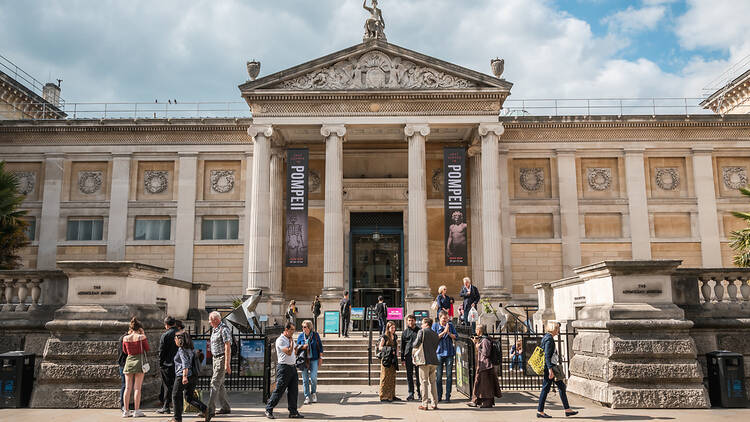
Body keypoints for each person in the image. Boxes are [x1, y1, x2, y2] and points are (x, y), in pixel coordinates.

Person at [537, 322, 578, 418]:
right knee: (546, 389)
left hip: (552, 367)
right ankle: (540, 411)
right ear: (553, 329)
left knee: (561, 387)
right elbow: (547, 356)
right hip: (551, 368)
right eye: (557, 328)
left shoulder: (547, 337)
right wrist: (550, 370)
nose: (558, 330)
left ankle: (567, 410)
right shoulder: (549, 339)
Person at [265, 322, 304, 419]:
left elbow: (294, 350)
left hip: (292, 367)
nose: (293, 332)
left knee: (294, 391)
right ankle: (269, 408)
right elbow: (289, 352)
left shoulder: (289, 339)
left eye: (294, 330)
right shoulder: (281, 340)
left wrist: (294, 347)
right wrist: (291, 343)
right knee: (279, 390)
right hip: (284, 368)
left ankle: (293, 411)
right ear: (286, 330)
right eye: (291, 330)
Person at [171, 331, 209, 422]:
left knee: (175, 395)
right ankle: (205, 409)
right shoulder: (191, 349)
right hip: (193, 376)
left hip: (182, 375)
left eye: (175, 338)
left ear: (180, 340)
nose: (174, 340)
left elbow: (185, 363)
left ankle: (177, 419)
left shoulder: (182, 349)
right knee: (189, 397)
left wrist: (184, 376)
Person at [467, 324, 502, 408]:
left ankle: (487, 403)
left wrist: (478, 347)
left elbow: (486, 353)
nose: (475, 331)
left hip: (486, 365)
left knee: (485, 385)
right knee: (478, 383)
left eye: (476, 329)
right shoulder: (482, 339)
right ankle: (475, 401)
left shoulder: (485, 340)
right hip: (482, 365)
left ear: (480, 330)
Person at [206, 311, 232, 420]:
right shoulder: (214, 329)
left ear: (216, 320)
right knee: (220, 384)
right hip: (215, 358)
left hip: (221, 358)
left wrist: (227, 363)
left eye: (210, 321)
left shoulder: (224, 329)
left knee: (214, 383)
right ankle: (225, 407)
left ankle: (209, 410)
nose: (209, 323)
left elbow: (227, 347)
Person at [122, 317, 149, 418]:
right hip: (139, 362)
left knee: (127, 387)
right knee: (137, 388)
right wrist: (143, 334)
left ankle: (126, 411)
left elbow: (125, 351)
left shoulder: (125, 338)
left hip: (129, 361)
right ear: (139, 328)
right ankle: (137, 411)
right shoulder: (141, 337)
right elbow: (147, 348)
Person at [413, 317, 439, 411]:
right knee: (433, 382)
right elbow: (435, 347)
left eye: (422, 323)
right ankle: (434, 403)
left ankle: (424, 404)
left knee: (423, 382)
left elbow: (416, 344)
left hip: (424, 360)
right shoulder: (435, 334)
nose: (421, 325)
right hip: (434, 360)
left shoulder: (422, 331)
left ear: (426, 324)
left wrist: (413, 344)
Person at [432, 311, 457, 402]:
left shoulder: (450, 325)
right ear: (440, 318)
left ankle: (448, 396)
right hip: (439, 353)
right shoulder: (435, 326)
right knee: (438, 376)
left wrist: (449, 333)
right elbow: (434, 338)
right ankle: (439, 395)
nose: (446, 320)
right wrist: (444, 332)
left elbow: (456, 337)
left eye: (447, 318)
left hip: (449, 353)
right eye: (444, 318)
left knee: (449, 376)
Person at [296, 320, 324, 405]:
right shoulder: (301, 336)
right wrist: (303, 347)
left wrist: (321, 358)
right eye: (303, 327)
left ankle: (314, 393)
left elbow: (320, 347)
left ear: (309, 327)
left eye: (305, 327)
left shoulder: (315, 335)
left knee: (313, 377)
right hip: (304, 360)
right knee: (305, 379)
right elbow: (297, 348)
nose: (303, 329)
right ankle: (307, 396)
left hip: (314, 358)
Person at [157, 316, 178, 414]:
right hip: (179, 364)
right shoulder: (181, 334)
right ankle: (176, 405)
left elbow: (161, 352)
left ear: (166, 325)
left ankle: (166, 406)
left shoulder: (165, 335)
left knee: (167, 385)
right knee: (176, 385)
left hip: (168, 364)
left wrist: (161, 363)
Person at [378, 321, 400, 402]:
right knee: (385, 377)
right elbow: (380, 347)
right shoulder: (384, 336)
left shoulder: (395, 336)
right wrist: (390, 350)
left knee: (392, 377)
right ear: (388, 328)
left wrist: (397, 353)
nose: (393, 329)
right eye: (392, 328)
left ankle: (391, 395)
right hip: (386, 359)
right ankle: (383, 396)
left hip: (393, 359)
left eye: (394, 327)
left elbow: (397, 345)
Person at [401, 315, 421, 402]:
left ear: (415, 321)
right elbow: (402, 346)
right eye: (409, 320)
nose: (410, 322)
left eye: (412, 320)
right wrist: (402, 358)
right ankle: (411, 393)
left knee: (418, 375)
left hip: (417, 355)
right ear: (406, 321)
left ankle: (420, 393)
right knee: (409, 375)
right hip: (408, 355)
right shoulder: (405, 332)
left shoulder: (419, 331)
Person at [117, 329, 129, 413]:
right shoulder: (126, 339)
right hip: (124, 364)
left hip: (122, 364)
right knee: (125, 385)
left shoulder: (122, 338)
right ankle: (123, 405)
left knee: (125, 385)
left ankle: (124, 405)